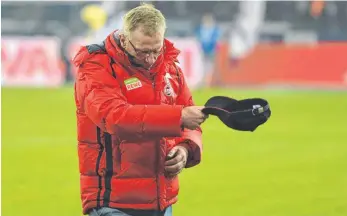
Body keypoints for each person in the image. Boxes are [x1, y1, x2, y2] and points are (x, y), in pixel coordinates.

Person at [72, 3, 207, 216]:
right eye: (143, 51)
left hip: (161, 201)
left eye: (156, 49)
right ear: (124, 39)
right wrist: (178, 116)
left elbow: (190, 118)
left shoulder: (170, 66)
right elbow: (115, 117)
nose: (151, 59)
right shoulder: (95, 66)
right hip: (113, 201)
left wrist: (186, 149)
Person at [195, 13, 221, 88]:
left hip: (212, 50)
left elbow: (216, 40)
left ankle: (214, 82)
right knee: (205, 67)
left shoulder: (214, 29)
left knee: (213, 67)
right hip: (204, 50)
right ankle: (205, 82)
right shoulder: (201, 29)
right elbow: (199, 39)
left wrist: (215, 48)